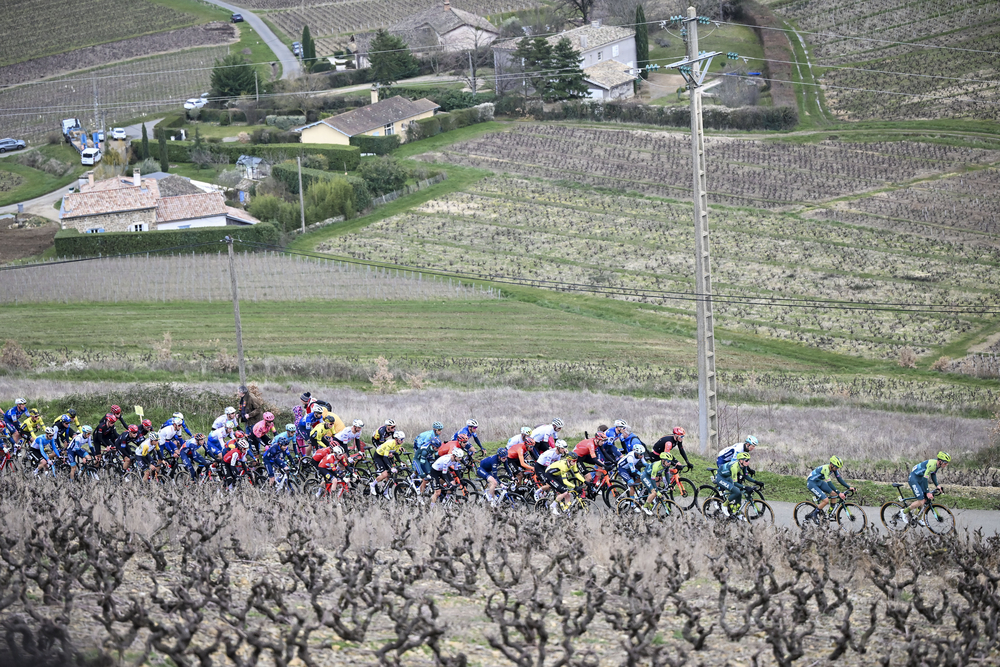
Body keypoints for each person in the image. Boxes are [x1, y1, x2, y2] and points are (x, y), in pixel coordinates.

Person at [904, 452, 951, 526]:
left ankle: (917, 517)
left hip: (920, 478)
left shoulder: (937, 465)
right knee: (920, 500)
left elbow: (933, 474)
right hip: (914, 478)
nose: (946, 465)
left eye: (947, 463)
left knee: (925, 499)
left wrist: (937, 485)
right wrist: (928, 492)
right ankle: (904, 512)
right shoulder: (932, 465)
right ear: (940, 461)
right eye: (945, 463)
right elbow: (925, 479)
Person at [805, 456, 855, 522]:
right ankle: (813, 515)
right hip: (812, 483)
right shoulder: (826, 469)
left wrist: (849, 487)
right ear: (831, 465)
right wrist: (839, 493)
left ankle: (830, 513)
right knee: (825, 500)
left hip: (819, 481)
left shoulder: (834, 468)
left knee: (833, 493)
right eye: (836, 467)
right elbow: (829, 483)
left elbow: (839, 479)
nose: (837, 469)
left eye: (838, 468)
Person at [715, 452, 759, 518]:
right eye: (746, 460)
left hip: (726, 477)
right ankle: (724, 505)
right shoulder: (734, 467)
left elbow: (746, 476)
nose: (748, 462)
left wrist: (757, 482)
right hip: (720, 477)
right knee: (736, 491)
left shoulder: (743, 465)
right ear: (741, 460)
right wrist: (745, 487)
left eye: (748, 460)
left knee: (739, 493)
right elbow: (735, 483)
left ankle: (738, 513)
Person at [412, 422, 444, 496]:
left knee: (430, 461)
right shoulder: (429, 436)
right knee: (422, 462)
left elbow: (436, 454)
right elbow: (423, 447)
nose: (440, 431)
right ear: (434, 430)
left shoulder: (436, 435)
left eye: (441, 429)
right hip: (419, 445)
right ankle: (416, 475)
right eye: (439, 430)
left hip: (428, 448)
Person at [371, 430, 406, 495]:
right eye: (401, 439)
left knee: (390, 475)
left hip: (384, 456)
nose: (402, 441)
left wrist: (400, 462)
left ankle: (385, 491)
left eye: (403, 439)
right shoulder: (390, 443)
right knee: (385, 474)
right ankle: (372, 484)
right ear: (396, 439)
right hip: (379, 456)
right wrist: (391, 467)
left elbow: (396, 454)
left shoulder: (398, 444)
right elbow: (385, 457)